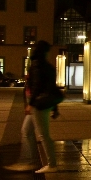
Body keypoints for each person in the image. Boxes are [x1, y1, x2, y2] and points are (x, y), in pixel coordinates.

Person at [24, 41, 60, 173]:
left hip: (38, 104)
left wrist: (31, 104)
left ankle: (52, 165)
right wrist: (55, 108)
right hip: (42, 103)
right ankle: (30, 160)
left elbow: (37, 87)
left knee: (43, 134)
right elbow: (52, 88)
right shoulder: (48, 67)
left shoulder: (37, 65)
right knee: (26, 131)